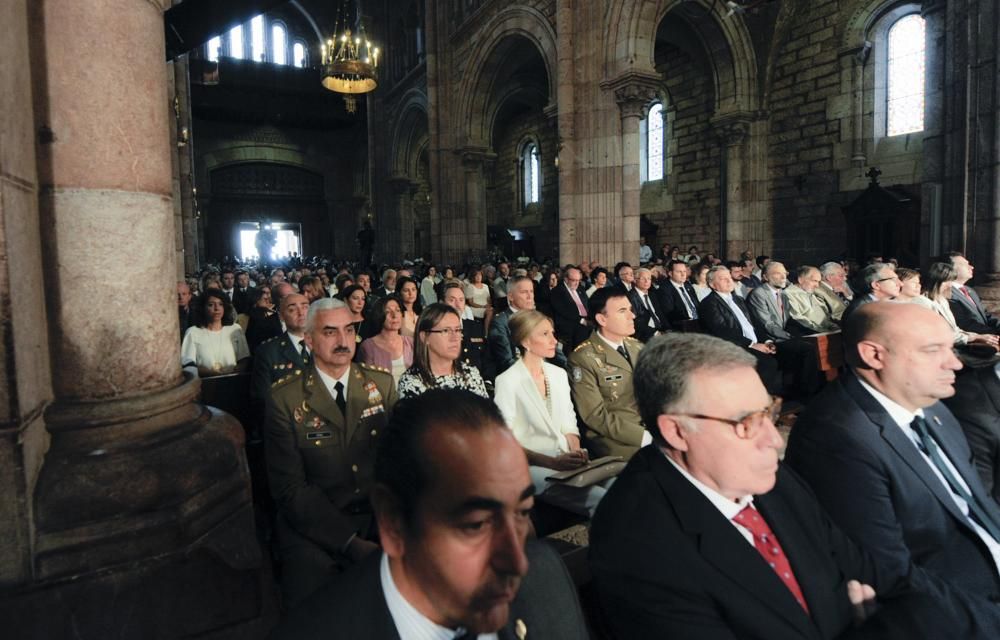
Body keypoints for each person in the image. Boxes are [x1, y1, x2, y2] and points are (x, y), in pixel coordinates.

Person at [589, 331, 963, 640]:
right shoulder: (639, 543)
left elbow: (877, 575)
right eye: (746, 423)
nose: (775, 440)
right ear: (676, 430)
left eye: (769, 412)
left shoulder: (770, 477)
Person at [270, 389, 589, 639]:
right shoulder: (319, 631)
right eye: (476, 525)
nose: (518, 562)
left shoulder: (545, 578)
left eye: (522, 512)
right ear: (394, 523)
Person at [785, 303, 1000, 638]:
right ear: (874, 355)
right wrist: (988, 619)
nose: (955, 363)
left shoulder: (931, 407)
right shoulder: (836, 437)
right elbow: (890, 573)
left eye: (951, 348)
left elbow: (978, 506)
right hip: (962, 606)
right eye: (933, 351)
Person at [264, 298, 398, 608]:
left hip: (376, 516)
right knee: (314, 602)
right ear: (309, 340)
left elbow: (397, 460)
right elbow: (290, 489)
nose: (343, 341)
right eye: (330, 332)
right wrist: (350, 544)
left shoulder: (380, 384)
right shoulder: (285, 398)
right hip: (313, 526)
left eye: (349, 331)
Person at [494, 311, 607, 517]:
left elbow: (569, 422)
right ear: (526, 341)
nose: (554, 340)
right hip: (533, 467)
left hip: (566, 461)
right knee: (601, 500)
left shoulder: (558, 374)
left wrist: (576, 450)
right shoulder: (507, 381)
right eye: (545, 334)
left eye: (553, 333)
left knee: (619, 485)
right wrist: (553, 463)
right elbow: (506, 442)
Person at [569, 287, 646, 459]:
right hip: (617, 441)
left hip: (651, 430)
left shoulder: (637, 347)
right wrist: (644, 437)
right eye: (622, 311)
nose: (632, 316)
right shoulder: (583, 358)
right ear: (602, 319)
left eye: (630, 310)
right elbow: (595, 416)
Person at [698, 265, 781, 394]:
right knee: (767, 363)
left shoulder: (739, 299)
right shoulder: (709, 303)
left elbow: (755, 324)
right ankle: (760, 405)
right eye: (723, 279)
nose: (729, 280)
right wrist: (752, 345)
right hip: (733, 346)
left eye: (729, 277)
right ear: (712, 285)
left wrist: (767, 341)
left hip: (753, 343)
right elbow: (722, 331)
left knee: (791, 353)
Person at [398, 303, 488, 398]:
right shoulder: (412, 382)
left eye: (457, 330)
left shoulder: (471, 374)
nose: (455, 338)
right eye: (446, 331)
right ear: (425, 337)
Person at [915, 262, 999, 349]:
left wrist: (981, 337)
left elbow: (955, 329)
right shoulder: (922, 302)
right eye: (947, 281)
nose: (950, 285)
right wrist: (976, 337)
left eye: (951, 281)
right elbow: (937, 334)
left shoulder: (943, 301)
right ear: (936, 281)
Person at [251, 292, 311, 407]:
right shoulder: (267, 351)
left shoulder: (324, 344)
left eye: (305, 307)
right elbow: (262, 397)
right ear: (282, 316)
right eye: (292, 309)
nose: (301, 313)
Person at [180, 289, 250, 377]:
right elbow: (188, 366)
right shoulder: (192, 332)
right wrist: (210, 373)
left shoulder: (235, 329)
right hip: (205, 384)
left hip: (232, 383)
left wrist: (231, 373)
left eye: (220, 304)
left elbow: (244, 360)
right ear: (203, 308)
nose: (217, 308)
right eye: (211, 305)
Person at [356, 295, 413, 385]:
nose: (394, 315)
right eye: (388, 312)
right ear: (379, 315)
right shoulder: (368, 346)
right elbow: (366, 382)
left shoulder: (411, 343)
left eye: (397, 310)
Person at [441, 280, 490, 378]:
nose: (457, 304)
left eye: (461, 300)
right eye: (452, 300)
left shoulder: (476, 327)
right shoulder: (437, 332)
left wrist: (487, 381)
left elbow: (487, 359)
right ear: (442, 303)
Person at [945, 252, 1000, 335]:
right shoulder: (947, 293)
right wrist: (994, 333)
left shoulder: (970, 291)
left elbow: (985, 316)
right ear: (951, 269)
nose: (971, 267)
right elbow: (964, 324)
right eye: (965, 264)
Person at [783, 264, 840, 333]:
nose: (817, 285)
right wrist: (823, 331)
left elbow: (820, 317)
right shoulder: (788, 294)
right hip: (806, 334)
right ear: (800, 280)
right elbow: (798, 319)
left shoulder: (809, 293)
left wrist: (832, 326)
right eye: (814, 281)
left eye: (819, 282)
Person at [549, 265, 592, 351]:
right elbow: (564, 311)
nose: (577, 283)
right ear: (566, 279)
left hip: (584, 323)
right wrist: (582, 320)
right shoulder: (557, 291)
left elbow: (587, 305)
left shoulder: (580, 288)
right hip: (569, 327)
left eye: (578, 280)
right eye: (574, 280)